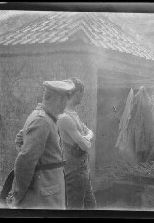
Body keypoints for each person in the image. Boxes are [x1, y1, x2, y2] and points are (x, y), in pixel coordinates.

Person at [9, 80, 75, 209]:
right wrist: (17, 194)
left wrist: (35, 157)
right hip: (46, 192)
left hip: (48, 186)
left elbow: (19, 139)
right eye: (66, 101)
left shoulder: (45, 117)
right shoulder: (42, 121)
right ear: (59, 100)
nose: (66, 105)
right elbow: (26, 160)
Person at [57, 77, 96, 210]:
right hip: (73, 172)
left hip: (83, 170)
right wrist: (87, 138)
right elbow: (85, 146)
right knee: (75, 210)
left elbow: (90, 132)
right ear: (76, 93)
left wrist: (86, 137)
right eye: (82, 93)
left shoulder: (73, 114)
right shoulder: (64, 118)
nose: (83, 97)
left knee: (91, 206)